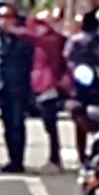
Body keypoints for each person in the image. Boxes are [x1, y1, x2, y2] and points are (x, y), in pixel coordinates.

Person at [11, 14, 69, 175]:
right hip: (37, 85)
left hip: (48, 86)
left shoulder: (51, 40)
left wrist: (15, 30)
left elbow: (34, 38)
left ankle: (55, 159)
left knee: (50, 124)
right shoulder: (42, 42)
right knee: (48, 125)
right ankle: (54, 159)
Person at [0, 8, 34, 173]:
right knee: (7, 126)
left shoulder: (23, 40)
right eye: (1, 17)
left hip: (18, 88)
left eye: (7, 17)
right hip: (1, 88)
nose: (3, 21)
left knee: (17, 125)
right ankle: (11, 158)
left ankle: (18, 160)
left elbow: (28, 64)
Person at [64, 12, 99, 165]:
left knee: (78, 123)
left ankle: (81, 156)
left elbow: (67, 58)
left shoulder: (74, 41)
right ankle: (97, 153)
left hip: (77, 88)